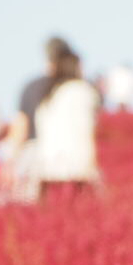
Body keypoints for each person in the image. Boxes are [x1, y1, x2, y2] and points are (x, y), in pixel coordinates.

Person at [33, 48, 101, 195]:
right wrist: (92, 162)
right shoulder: (82, 90)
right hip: (75, 163)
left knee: (50, 206)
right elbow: (86, 127)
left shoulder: (49, 94)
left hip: (47, 164)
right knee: (80, 203)